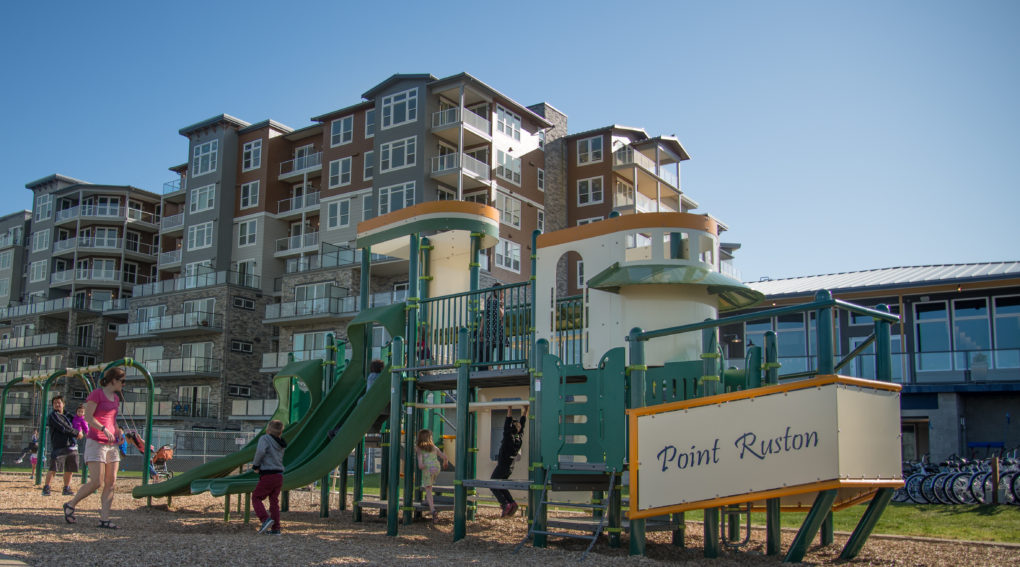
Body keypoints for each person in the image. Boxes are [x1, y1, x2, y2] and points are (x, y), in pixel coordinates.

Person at [63, 366, 127, 529]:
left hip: (112, 444)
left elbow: (112, 419)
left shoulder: (116, 398)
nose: (123, 384)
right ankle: (71, 504)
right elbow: (89, 418)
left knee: (111, 482)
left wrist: (118, 430)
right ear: (113, 380)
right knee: (97, 481)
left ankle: (104, 519)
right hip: (96, 442)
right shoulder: (96, 394)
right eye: (122, 381)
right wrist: (104, 429)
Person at [491, 405, 528, 517]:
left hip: (503, 465)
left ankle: (505, 503)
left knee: (492, 483)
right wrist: (525, 411)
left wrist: (509, 409)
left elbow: (507, 424)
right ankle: (512, 502)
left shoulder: (509, 437)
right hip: (510, 466)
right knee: (501, 485)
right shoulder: (519, 437)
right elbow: (522, 425)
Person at [42, 396, 83, 496]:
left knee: (70, 469)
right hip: (59, 446)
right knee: (54, 468)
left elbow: (78, 421)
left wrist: (81, 426)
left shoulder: (68, 415)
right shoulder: (53, 416)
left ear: (63, 404)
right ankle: (46, 488)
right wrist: (76, 433)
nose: (57, 404)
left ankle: (66, 488)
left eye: (59, 402)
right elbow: (63, 427)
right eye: (55, 403)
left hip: (71, 446)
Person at [252, 419, 287, 535]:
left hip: (268, 474)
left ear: (268, 430)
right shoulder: (281, 442)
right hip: (279, 475)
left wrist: (256, 465)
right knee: (274, 502)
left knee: (256, 497)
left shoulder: (265, 438)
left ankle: (265, 519)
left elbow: (260, 451)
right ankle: (276, 528)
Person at [415, 429, 449, 526]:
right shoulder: (435, 447)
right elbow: (445, 457)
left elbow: (420, 466)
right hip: (436, 468)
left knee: (428, 489)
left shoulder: (419, 448)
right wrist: (445, 463)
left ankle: (433, 510)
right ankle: (427, 500)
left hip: (428, 469)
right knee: (430, 483)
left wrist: (425, 465)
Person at [478, 285, 505, 370]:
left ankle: (499, 367)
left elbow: (502, 315)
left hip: (498, 326)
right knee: (489, 346)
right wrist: (481, 328)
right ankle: (490, 367)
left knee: (500, 345)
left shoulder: (500, 302)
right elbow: (484, 315)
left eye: (501, 292)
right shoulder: (489, 301)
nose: (502, 294)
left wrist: (499, 305)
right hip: (489, 326)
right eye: (500, 292)